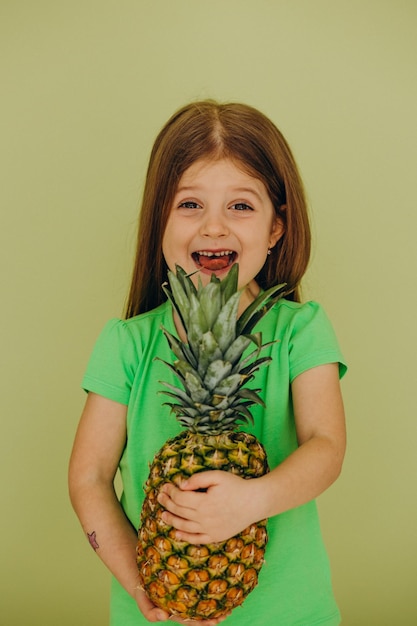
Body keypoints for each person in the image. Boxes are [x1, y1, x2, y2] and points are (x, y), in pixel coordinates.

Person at [69, 100, 347, 626]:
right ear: (160, 223)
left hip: (290, 615)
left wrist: (252, 500)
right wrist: (141, 584)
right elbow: (89, 476)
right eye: (190, 204)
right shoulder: (127, 343)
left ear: (275, 229)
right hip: (156, 613)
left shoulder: (300, 330)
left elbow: (327, 447)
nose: (214, 227)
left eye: (240, 206)